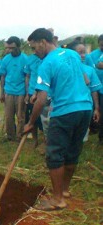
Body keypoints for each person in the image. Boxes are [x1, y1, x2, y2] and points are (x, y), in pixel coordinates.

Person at [24, 28, 93, 211]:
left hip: (64, 112)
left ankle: (57, 200)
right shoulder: (72, 54)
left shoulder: (46, 63)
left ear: (42, 42)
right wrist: (47, 92)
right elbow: (85, 80)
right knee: (72, 152)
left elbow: (41, 100)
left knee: (54, 155)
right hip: (85, 108)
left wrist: (30, 123)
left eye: (33, 47)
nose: (34, 51)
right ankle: (64, 190)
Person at [67, 41, 101, 141]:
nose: (83, 55)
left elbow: (94, 90)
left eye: (84, 52)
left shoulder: (90, 70)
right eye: (79, 52)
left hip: (85, 109)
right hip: (68, 108)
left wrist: (96, 108)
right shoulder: (64, 69)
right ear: (71, 53)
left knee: (80, 139)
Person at [0, 36, 28, 142]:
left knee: (20, 116)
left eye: (11, 48)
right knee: (8, 116)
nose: (9, 50)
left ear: (18, 46)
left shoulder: (25, 59)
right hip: (8, 91)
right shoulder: (6, 59)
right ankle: (10, 135)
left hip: (21, 92)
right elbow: (2, 76)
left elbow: (27, 77)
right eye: (8, 48)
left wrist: (27, 93)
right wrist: (2, 92)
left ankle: (19, 136)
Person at [86, 34, 103, 144]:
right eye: (101, 45)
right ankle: (97, 132)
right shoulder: (92, 55)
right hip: (96, 88)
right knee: (97, 109)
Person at [24, 52, 43, 148]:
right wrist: (27, 93)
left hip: (44, 92)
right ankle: (35, 140)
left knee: (44, 118)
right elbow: (27, 76)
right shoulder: (30, 59)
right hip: (32, 93)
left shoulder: (47, 58)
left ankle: (46, 140)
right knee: (33, 117)